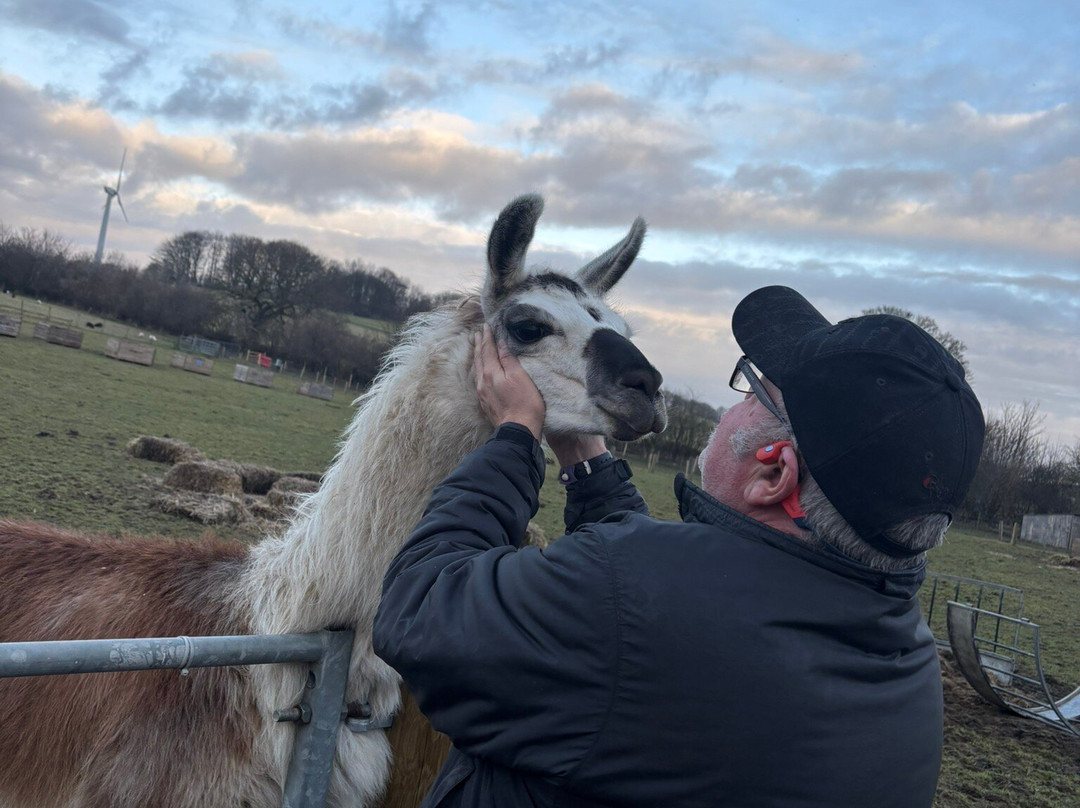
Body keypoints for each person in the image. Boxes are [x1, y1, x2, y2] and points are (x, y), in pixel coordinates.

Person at [373, 285, 985, 808]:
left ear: (774, 475)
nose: (732, 406)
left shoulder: (633, 603)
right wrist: (589, 464)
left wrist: (512, 441)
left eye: (754, 394)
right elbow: (674, 609)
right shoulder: (904, 661)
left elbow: (419, 607)